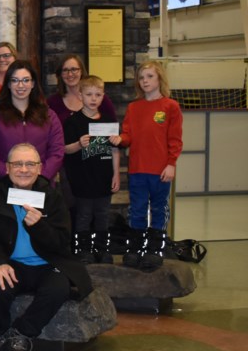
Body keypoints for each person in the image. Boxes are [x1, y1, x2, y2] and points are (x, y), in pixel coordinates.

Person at [0, 143, 92, 351]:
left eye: (30, 164)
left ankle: (21, 334)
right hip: (13, 263)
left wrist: (39, 226)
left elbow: (61, 243)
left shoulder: (53, 197)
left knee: (59, 289)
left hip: (48, 263)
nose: (24, 169)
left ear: (39, 168)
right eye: (18, 164)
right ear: (8, 168)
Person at [111, 61, 183, 271]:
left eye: (150, 76)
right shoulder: (134, 107)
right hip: (137, 170)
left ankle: (155, 250)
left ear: (160, 78)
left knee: (159, 209)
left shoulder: (171, 106)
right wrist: (119, 139)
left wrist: (171, 164)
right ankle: (136, 249)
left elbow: (175, 140)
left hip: (160, 170)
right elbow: (128, 135)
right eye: (142, 78)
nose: (145, 81)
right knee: (138, 210)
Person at [62, 75, 121, 263]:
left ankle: (102, 249)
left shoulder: (109, 121)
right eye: (89, 94)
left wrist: (117, 175)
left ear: (103, 96)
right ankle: (82, 250)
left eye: (98, 94)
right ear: (80, 95)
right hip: (83, 180)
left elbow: (115, 150)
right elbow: (64, 149)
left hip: (104, 179)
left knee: (103, 215)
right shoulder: (73, 122)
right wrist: (79, 144)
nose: (93, 99)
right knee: (83, 216)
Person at [0, 60, 65, 186]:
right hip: (6, 185)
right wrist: (11, 176)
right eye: (15, 80)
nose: (21, 85)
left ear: (33, 84)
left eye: (26, 80)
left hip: (42, 184)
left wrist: (40, 177)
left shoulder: (49, 115)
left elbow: (57, 152)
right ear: (8, 84)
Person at [47, 54, 117, 124]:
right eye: (65, 70)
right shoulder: (52, 102)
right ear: (60, 74)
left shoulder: (99, 98)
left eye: (74, 69)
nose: (70, 74)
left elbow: (113, 126)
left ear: (81, 71)